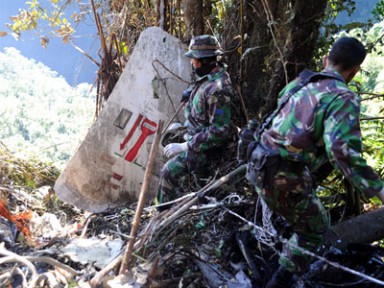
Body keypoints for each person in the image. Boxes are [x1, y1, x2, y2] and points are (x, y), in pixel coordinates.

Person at [246, 36, 384, 287]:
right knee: (315, 229)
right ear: (354, 71)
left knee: (298, 211)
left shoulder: (299, 84)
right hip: (282, 175)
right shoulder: (342, 96)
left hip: (257, 164)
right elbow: (342, 153)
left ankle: (257, 246)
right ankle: (278, 282)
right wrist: (380, 190)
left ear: (325, 60)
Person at [156, 35, 235, 206]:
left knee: (167, 172)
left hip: (206, 151)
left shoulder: (218, 89)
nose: (193, 63)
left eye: (195, 60)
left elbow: (219, 131)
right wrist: (191, 92)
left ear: (205, 61)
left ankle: (162, 214)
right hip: (194, 137)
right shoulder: (209, 78)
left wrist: (187, 145)